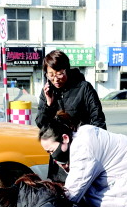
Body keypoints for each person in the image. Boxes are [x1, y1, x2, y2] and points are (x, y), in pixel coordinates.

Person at [35, 50, 106, 182]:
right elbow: (42, 125)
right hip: (59, 157)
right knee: (60, 191)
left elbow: (99, 122)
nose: (55, 79)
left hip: (82, 154)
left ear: (67, 70)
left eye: (59, 74)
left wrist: (89, 148)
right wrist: (49, 104)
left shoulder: (84, 88)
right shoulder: (47, 92)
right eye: (51, 75)